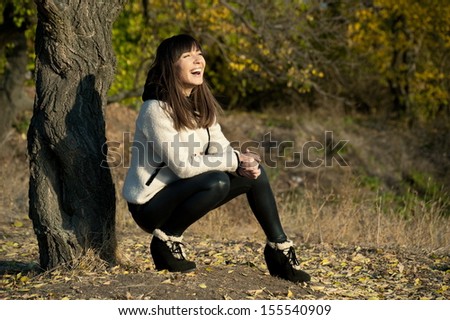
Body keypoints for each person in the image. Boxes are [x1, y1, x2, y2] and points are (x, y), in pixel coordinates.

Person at [122, 34, 310, 283]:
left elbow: (221, 148)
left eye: (199, 54)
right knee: (218, 181)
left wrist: (244, 162)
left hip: (182, 192)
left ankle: (279, 250)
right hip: (150, 206)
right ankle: (166, 240)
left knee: (255, 174)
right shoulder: (155, 109)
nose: (197, 60)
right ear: (170, 66)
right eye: (187, 56)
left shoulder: (199, 106)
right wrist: (233, 161)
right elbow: (184, 167)